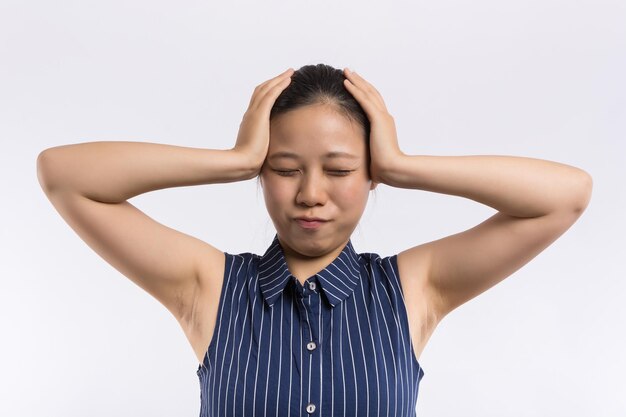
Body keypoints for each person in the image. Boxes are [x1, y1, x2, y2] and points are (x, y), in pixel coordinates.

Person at [36, 63, 593, 416]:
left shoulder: (413, 288)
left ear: (370, 171)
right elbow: (65, 176)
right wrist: (232, 161)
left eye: (339, 169)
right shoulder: (209, 287)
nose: (310, 194)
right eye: (282, 168)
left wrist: (403, 164)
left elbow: (564, 195)